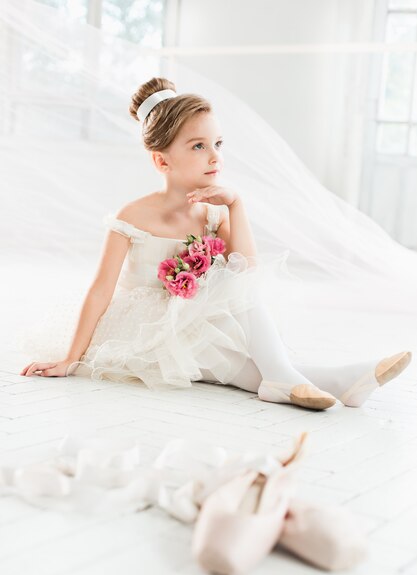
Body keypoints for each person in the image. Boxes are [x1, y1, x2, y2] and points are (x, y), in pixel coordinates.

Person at [19, 77, 412, 410]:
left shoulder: (213, 211)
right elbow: (101, 289)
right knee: (223, 359)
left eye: (217, 144)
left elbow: (247, 273)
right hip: (145, 328)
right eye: (198, 146)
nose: (214, 157)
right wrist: (71, 357)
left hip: (192, 318)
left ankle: (299, 380)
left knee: (232, 296)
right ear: (161, 162)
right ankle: (331, 380)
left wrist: (236, 206)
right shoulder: (133, 217)